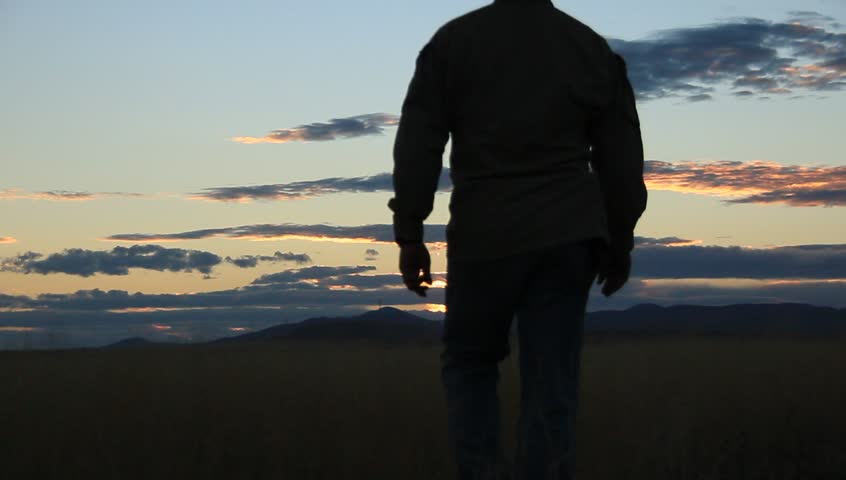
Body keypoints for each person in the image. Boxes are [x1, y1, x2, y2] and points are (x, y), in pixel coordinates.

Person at [387, 0, 647, 478]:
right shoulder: (586, 47)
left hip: (485, 233)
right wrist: (621, 235)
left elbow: (419, 144)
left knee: (470, 362)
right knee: (552, 379)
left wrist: (409, 233)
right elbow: (622, 155)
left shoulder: (455, 43)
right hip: (569, 235)